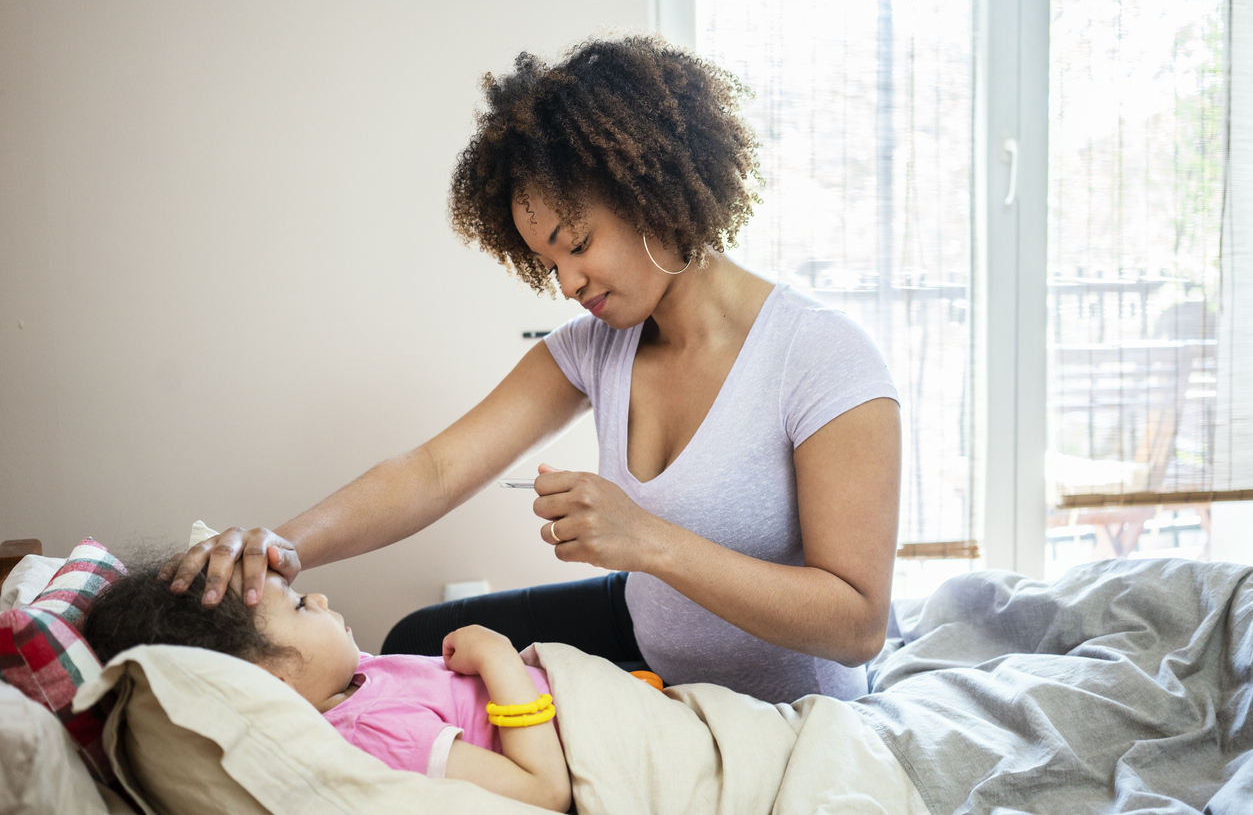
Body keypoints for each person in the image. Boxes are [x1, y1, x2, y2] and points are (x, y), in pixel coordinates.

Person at [167, 35, 902, 704]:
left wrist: (647, 541)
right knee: (420, 643)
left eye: (576, 243)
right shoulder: (595, 346)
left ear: (655, 193)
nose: (568, 284)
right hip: (650, 637)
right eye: (548, 261)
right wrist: (283, 544)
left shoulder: (819, 355)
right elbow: (432, 471)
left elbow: (856, 624)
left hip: (790, 700)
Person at [85, 552, 573, 813]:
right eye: (298, 605)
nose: (317, 597)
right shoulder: (375, 735)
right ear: (269, 680)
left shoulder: (347, 681)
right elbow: (546, 793)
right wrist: (499, 657)